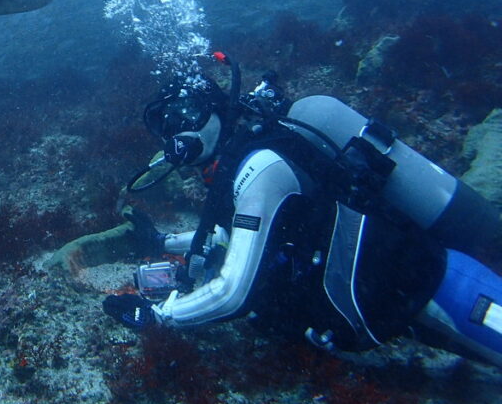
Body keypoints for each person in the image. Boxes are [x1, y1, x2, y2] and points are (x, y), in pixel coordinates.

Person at [100, 52, 502, 368]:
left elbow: (233, 292)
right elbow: (238, 236)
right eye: (166, 127)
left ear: (214, 112)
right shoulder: (247, 162)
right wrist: (164, 241)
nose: (175, 136)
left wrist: (158, 315)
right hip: (398, 304)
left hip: (438, 287)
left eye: (183, 118)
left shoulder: (260, 168)